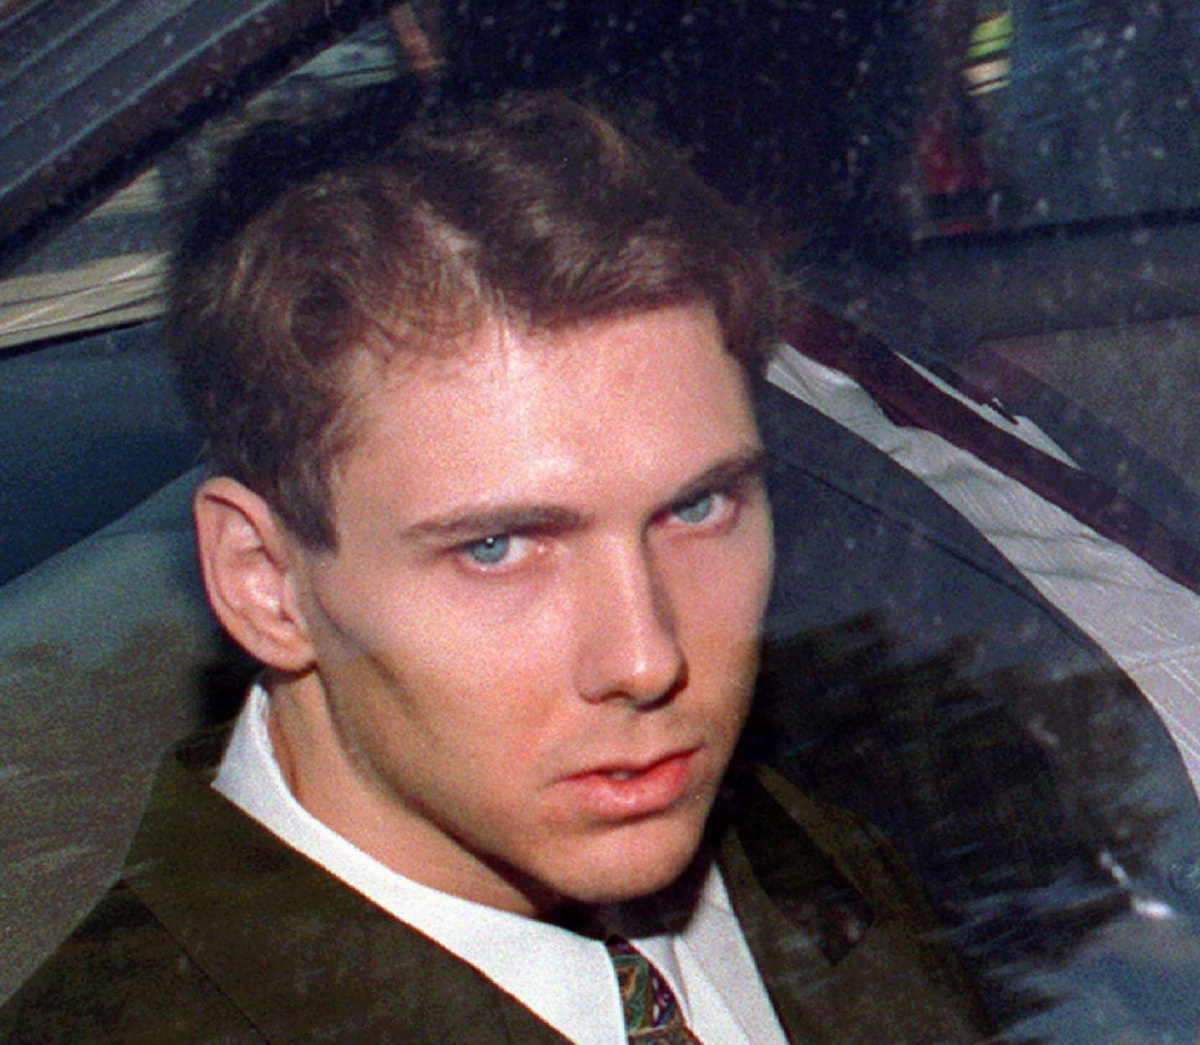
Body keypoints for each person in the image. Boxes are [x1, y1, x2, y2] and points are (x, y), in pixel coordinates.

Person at [0, 91, 993, 1044]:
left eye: (698, 506)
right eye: (496, 547)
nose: (648, 660)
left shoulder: (802, 844)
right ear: (266, 581)